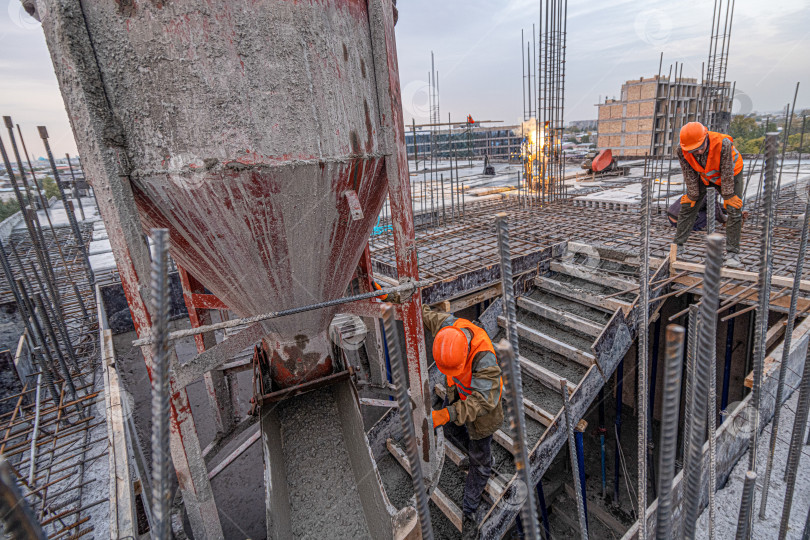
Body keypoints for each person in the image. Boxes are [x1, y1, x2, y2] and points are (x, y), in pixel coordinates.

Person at [423, 305, 503, 540]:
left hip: (482, 416)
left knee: (479, 459)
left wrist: (447, 413)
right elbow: (421, 312)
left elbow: (482, 402)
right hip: (459, 396)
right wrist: (394, 296)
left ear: (467, 351)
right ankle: (482, 457)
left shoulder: (485, 357)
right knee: (451, 431)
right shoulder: (448, 328)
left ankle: (469, 509)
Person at [673, 121, 745, 268]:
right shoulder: (682, 150)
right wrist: (693, 195)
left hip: (731, 174)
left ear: (705, 137)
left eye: (700, 148)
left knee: (734, 209)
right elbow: (689, 173)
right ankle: (677, 247)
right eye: (694, 150)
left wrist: (728, 195)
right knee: (688, 205)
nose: (698, 152)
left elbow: (726, 171)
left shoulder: (722, 144)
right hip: (706, 175)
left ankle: (732, 254)